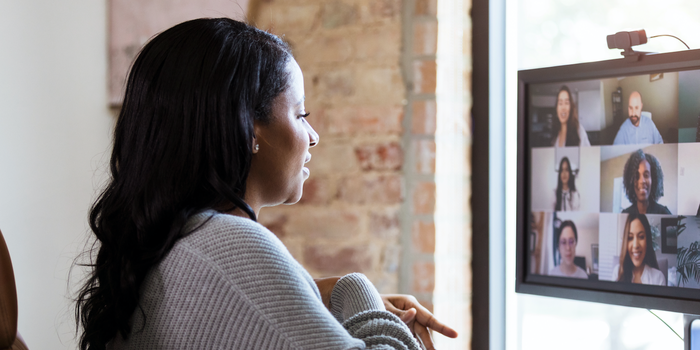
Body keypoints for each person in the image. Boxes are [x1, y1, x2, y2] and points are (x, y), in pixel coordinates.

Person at [74, 18, 457, 350]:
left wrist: (313, 294)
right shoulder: (228, 241)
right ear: (249, 128)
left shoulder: (167, 246)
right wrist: (354, 290)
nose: (313, 136)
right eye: (300, 113)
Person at [613, 214, 666, 285]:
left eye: (641, 237)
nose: (635, 245)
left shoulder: (658, 278)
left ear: (647, 240)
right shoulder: (617, 272)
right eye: (630, 238)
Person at [621, 149, 671, 214]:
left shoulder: (664, 213)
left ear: (653, 179)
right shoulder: (625, 214)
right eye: (637, 176)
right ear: (631, 181)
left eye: (646, 175)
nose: (642, 181)